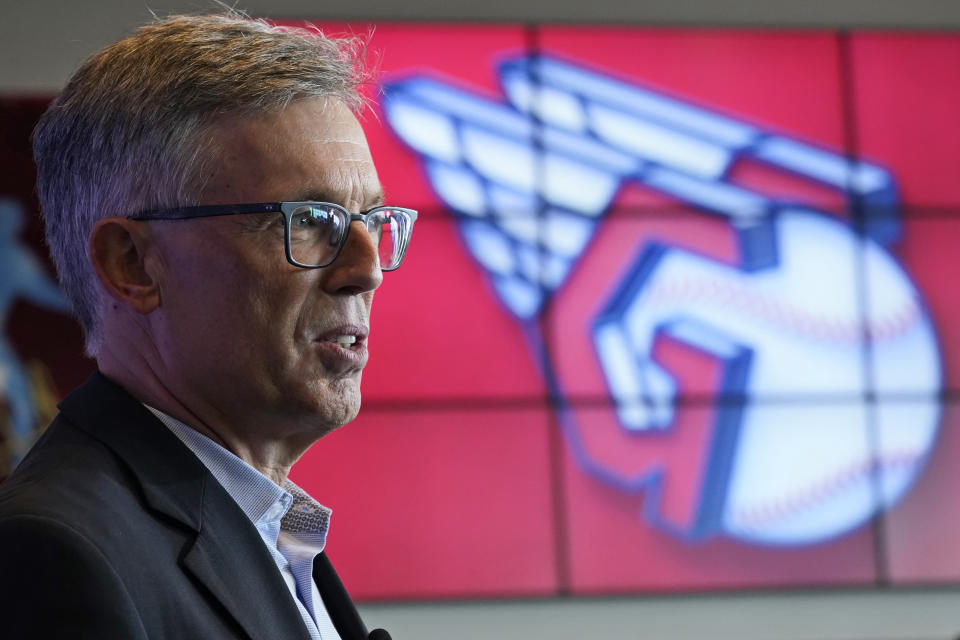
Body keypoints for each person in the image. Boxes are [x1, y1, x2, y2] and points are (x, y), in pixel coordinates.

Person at [0, 12, 415, 640]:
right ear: (132, 264)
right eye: (310, 219)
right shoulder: (54, 554)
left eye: (372, 218)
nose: (366, 271)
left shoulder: (275, 530)